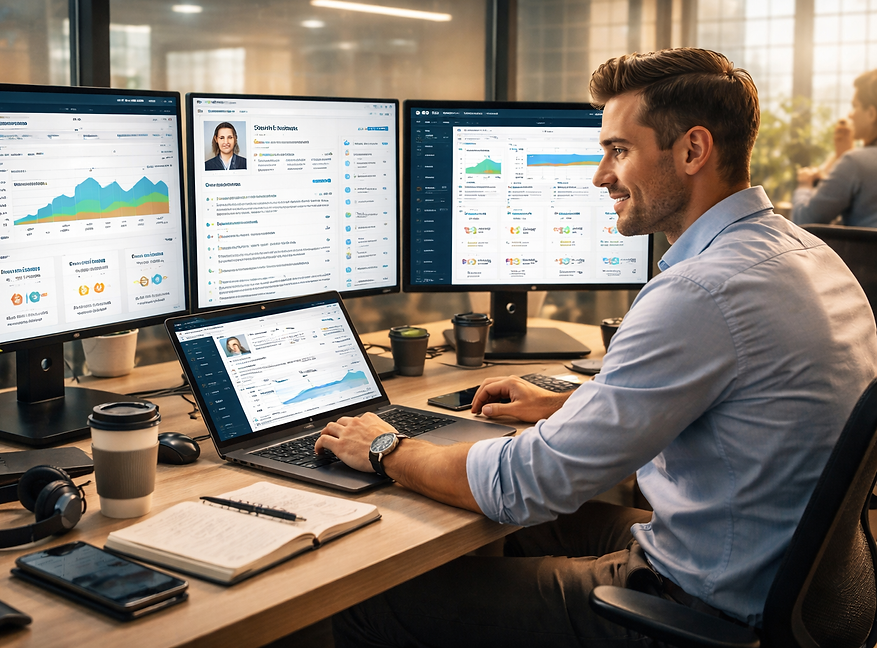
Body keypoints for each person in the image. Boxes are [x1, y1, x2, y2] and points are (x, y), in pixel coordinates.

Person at [314, 47, 877, 647]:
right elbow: (738, 407)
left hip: (705, 606)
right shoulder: (809, 255)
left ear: (693, 150)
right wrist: (566, 406)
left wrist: (386, 448)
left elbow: (527, 483)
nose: (600, 175)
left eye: (619, 150)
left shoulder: (700, 291)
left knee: (368, 603)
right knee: (509, 536)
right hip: (788, 580)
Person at [791, 68, 877, 227]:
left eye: (855, 106)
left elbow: (803, 221)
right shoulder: (856, 161)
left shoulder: (855, 162)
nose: (850, 115)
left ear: (872, 114)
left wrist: (804, 185)